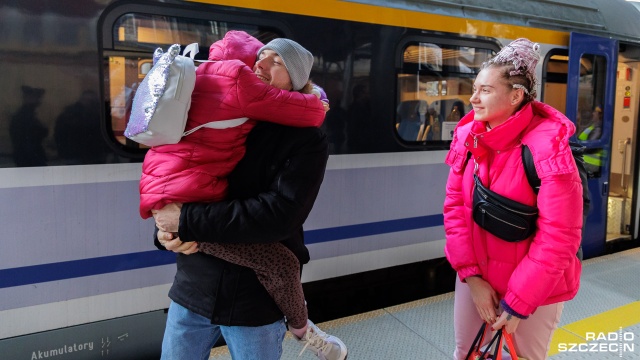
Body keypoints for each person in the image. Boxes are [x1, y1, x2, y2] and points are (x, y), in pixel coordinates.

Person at [150, 34, 347, 360]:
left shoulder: (307, 138)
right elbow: (180, 174)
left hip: (253, 300)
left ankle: (302, 326)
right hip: (192, 289)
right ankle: (304, 327)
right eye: (262, 55)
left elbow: (280, 214)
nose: (262, 63)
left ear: (296, 80)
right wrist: (164, 231)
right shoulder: (222, 113)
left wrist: (186, 221)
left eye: (277, 62)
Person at [443, 38, 583, 360]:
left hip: (535, 290)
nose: (473, 98)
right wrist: (472, 278)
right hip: (475, 279)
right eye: (475, 88)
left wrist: (520, 301)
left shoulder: (549, 150)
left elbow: (559, 236)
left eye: (486, 91)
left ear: (516, 96)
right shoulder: (467, 138)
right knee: (466, 353)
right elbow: (454, 209)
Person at [10, 86, 48, 167]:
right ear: (27, 98)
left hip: (28, 157)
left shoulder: (26, 115)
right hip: (30, 158)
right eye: (36, 98)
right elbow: (30, 137)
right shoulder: (24, 116)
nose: (39, 100)